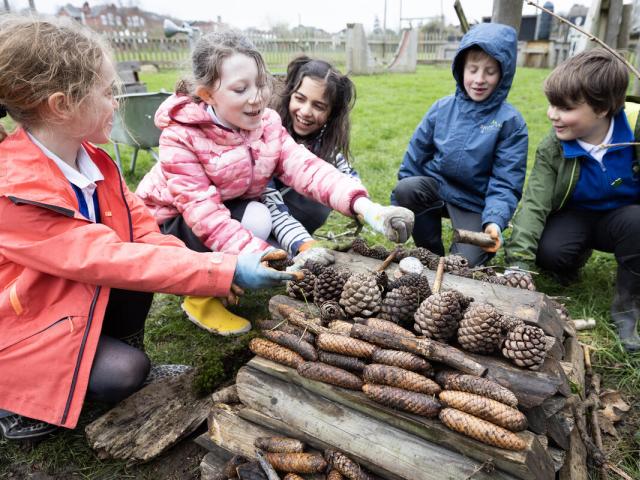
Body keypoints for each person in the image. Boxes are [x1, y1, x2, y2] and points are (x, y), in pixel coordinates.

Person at [0, 15, 295, 441]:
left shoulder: (93, 162)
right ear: (62, 105)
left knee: (149, 265)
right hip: (24, 322)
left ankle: (109, 352)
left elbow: (144, 235)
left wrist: (215, 266)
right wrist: (225, 271)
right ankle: (13, 396)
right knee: (125, 373)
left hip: (70, 298)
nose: (116, 102)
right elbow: (104, 257)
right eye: (107, 93)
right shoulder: (14, 191)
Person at [135, 31, 414, 333]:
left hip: (225, 210)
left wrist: (368, 208)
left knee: (258, 219)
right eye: (240, 89)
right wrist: (262, 258)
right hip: (169, 226)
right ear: (207, 95)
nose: (257, 97)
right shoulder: (180, 137)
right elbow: (205, 216)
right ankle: (200, 296)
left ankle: (222, 278)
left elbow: (308, 169)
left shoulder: (266, 124)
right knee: (256, 220)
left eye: (260, 83)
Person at [505, 49, 640, 352]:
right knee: (550, 252)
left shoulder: (634, 129)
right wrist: (519, 264)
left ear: (602, 109)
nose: (553, 114)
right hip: (576, 215)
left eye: (565, 108)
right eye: (552, 104)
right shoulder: (554, 146)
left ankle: (627, 303)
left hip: (624, 218)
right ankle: (572, 262)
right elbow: (534, 203)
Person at [391, 22, 528, 267]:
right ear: (461, 69)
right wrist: (397, 206)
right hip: (437, 189)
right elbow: (415, 157)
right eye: (473, 69)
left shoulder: (511, 122)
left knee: (463, 264)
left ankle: (465, 254)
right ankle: (429, 253)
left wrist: (494, 221)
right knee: (407, 188)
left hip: (475, 202)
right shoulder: (441, 109)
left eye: (490, 71)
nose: (479, 79)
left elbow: (506, 182)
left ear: (504, 74)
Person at [266, 56, 359, 255]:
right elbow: (268, 201)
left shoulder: (321, 141)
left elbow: (347, 174)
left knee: (329, 188)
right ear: (289, 95)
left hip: (286, 222)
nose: (306, 111)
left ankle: (292, 242)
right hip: (259, 212)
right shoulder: (267, 134)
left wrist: (369, 209)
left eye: (318, 106)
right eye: (300, 98)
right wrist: (302, 244)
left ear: (331, 114)